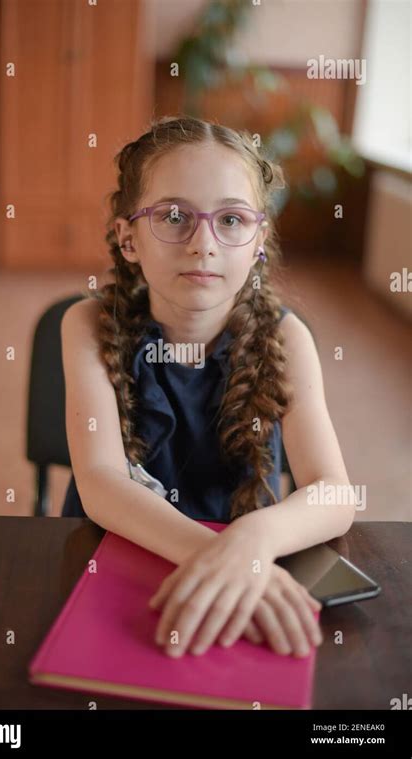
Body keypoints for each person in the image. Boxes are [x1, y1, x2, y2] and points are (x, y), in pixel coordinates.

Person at [60, 115, 354, 660]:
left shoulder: (287, 337)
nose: (203, 244)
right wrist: (221, 557)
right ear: (128, 238)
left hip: (243, 566)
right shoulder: (85, 323)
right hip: (114, 552)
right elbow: (101, 481)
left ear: (258, 240)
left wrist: (251, 542)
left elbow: (335, 494)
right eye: (174, 216)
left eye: (232, 220)